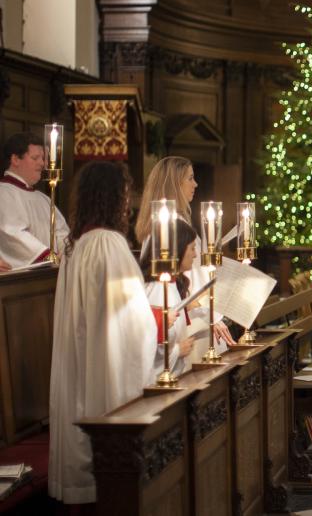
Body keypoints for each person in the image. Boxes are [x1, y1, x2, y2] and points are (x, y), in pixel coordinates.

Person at [48, 161, 157, 505]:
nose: (129, 203)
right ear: (113, 198)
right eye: (125, 194)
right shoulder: (109, 245)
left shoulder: (75, 245)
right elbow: (133, 327)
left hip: (83, 371)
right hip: (105, 383)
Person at [136, 156, 235, 351]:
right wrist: (213, 316)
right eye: (190, 178)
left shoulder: (175, 221)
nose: (195, 184)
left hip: (196, 313)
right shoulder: (170, 226)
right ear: (174, 183)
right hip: (189, 320)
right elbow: (187, 279)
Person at [139, 220, 200, 380]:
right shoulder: (157, 290)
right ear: (178, 249)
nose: (195, 254)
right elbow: (147, 346)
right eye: (192, 248)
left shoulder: (171, 284)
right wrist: (178, 351)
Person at [0, 132, 70, 267]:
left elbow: (61, 232)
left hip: (53, 273)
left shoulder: (43, 199)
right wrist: (46, 257)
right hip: (22, 280)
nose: (43, 164)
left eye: (43, 158)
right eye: (35, 158)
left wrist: (67, 256)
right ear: (15, 159)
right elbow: (12, 234)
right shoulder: (4, 193)